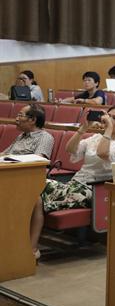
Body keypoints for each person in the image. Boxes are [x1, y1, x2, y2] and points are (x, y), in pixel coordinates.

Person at [38, 106, 115, 259]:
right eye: (108, 116)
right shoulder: (94, 138)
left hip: (91, 190)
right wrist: (83, 128)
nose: (109, 120)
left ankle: (30, 246)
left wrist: (108, 129)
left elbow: (102, 153)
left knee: (38, 197)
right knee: (37, 184)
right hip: (75, 183)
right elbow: (70, 149)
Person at [1, 104, 54, 259]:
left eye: (20, 115)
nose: (16, 119)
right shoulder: (21, 136)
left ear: (33, 120)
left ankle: (32, 248)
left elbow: (38, 161)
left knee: (35, 200)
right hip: (11, 176)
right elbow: (5, 154)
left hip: (31, 179)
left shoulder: (45, 137)